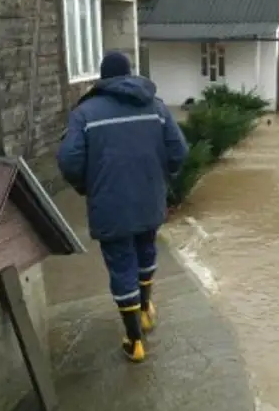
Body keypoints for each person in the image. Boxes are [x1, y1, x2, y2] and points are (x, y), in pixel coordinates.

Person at [56, 51, 188, 362]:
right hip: (149, 200)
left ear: (102, 78)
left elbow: (69, 160)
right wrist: (160, 179)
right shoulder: (156, 107)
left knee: (121, 264)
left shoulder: (85, 113)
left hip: (109, 204)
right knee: (146, 252)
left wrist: (86, 186)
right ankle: (145, 309)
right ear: (130, 75)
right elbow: (179, 151)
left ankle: (134, 340)